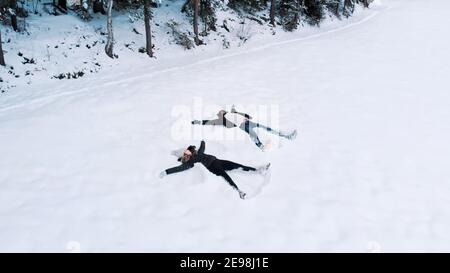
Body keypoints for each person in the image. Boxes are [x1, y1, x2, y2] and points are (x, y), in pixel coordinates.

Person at [159, 140, 269, 199]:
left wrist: (202, 141)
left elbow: (202, 147)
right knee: (226, 177)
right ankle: (239, 191)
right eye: (186, 153)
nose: (189, 152)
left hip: (219, 161)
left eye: (189, 150)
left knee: (237, 165)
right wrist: (167, 172)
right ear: (184, 156)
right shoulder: (190, 162)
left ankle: (258, 170)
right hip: (213, 167)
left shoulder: (197, 152)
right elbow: (180, 168)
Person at [192, 105, 296, 150]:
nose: (222, 111)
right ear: (221, 115)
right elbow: (210, 122)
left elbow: (246, 115)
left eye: (223, 110)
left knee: (266, 128)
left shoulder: (233, 113)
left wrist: (236, 111)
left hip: (249, 122)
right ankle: (261, 147)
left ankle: (286, 136)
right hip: (243, 126)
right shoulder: (223, 120)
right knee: (254, 135)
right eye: (221, 112)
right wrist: (198, 122)